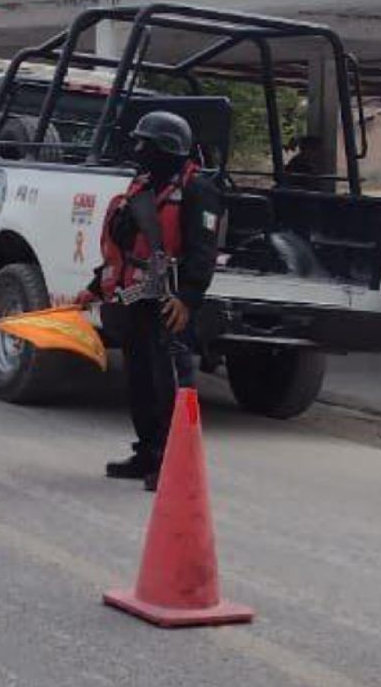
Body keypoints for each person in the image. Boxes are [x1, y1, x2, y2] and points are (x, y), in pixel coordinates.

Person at [76, 111, 223, 492]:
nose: (138, 150)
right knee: (139, 379)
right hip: (137, 298)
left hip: (170, 301)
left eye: (146, 144)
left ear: (166, 149)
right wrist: (95, 288)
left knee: (169, 382)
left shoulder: (197, 190)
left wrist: (188, 299)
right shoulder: (140, 187)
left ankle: (172, 463)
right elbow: (123, 248)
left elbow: (203, 253)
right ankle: (147, 452)